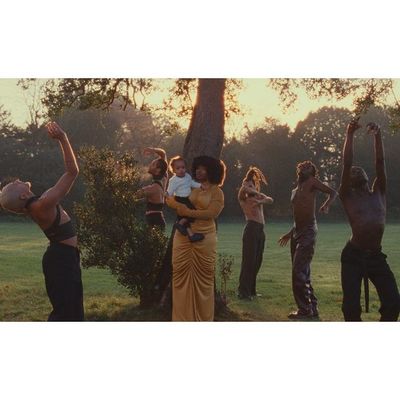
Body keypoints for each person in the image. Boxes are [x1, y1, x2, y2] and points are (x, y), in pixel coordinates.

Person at [0, 122, 84, 321]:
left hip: (63, 257)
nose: (18, 180)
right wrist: (63, 138)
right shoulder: (42, 205)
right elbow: (73, 172)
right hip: (61, 259)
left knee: (71, 311)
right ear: (22, 197)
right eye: (15, 184)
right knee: (66, 314)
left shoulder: (39, 202)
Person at [338, 119, 400, 321]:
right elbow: (347, 163)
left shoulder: (379, 192)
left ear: (367, 175)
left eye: (359, 169)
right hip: (353, 257)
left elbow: (380, 162)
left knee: (393, 303)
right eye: (352, 171)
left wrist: (378, 135)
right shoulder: (347, 195)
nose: (355, 170)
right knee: (350, 309)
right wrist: (349, 135)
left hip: (376, 257)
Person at [166, 155, 225, 321]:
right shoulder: (189, 185)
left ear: (211, 171)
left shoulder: (217, 192)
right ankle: (181, 319)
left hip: (204, 237)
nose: (198, 171)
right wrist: (178, 206)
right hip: (183, 236)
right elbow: (171, 199)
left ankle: (202, 320)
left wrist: (187, 212)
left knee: (204, 280)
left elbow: (211, 214)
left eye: (202, 168)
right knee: (179, 275)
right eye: (197, 168)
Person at [278, 160, 337, 320]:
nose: (305, 166)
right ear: (298, 169)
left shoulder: (312, 182)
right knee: (303, 272)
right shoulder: (295, 189)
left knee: (298, 271)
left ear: (312, 171)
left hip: (309, 231)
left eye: (309, 166)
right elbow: (298, 216)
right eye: (303, 165)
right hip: (297, 232)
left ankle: (304, 310)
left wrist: (326, 205)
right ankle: (312, 308)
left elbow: (333, 192)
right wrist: (289, 234)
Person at [237, 167, 273, 300]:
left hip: (260, 230)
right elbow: (244, 189)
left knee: (257, 261)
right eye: (248, 185)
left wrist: (260, 200)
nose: (249, 187)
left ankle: (251, 290)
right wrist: (251, 188)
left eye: (252, 185)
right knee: (249, 262)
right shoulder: (243, 197)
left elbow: (270, 199)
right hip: (251, 228)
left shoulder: (257, 197)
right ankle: (243, 292)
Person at [166, 155, 204, 242]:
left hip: (187, 199)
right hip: (180, 199)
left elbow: (191, 183)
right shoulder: (173, 180)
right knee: (192, 213)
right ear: (173, 170)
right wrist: (167, 195)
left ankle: (191, 235)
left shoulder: (187, 176)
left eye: (183, 167)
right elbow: (170, 190)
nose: (181, 170)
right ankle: (179, 224)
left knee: (184, 216)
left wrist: (200, 186)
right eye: (178, 168)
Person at [141, 147, 168, 230]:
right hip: (155, 218)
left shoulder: (158, 183)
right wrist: (152, 150)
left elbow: (136, 195)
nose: (150, 165)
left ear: (158, 170)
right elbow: (163, 154)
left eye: (153, 164)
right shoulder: (163, 176)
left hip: (155, 219)